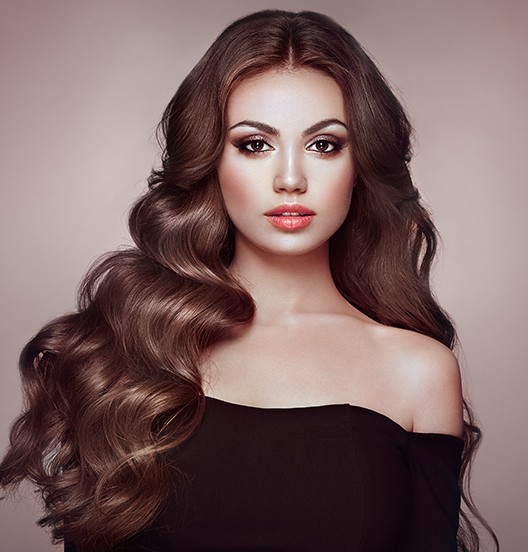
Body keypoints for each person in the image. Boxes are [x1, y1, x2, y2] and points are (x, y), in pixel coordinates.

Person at [0, 9, 497, 552]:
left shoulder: (418, 372)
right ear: (211, 159)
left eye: (324, 145)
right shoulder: (133, 347)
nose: (290, 179)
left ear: (361, 163)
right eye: (254, 144)